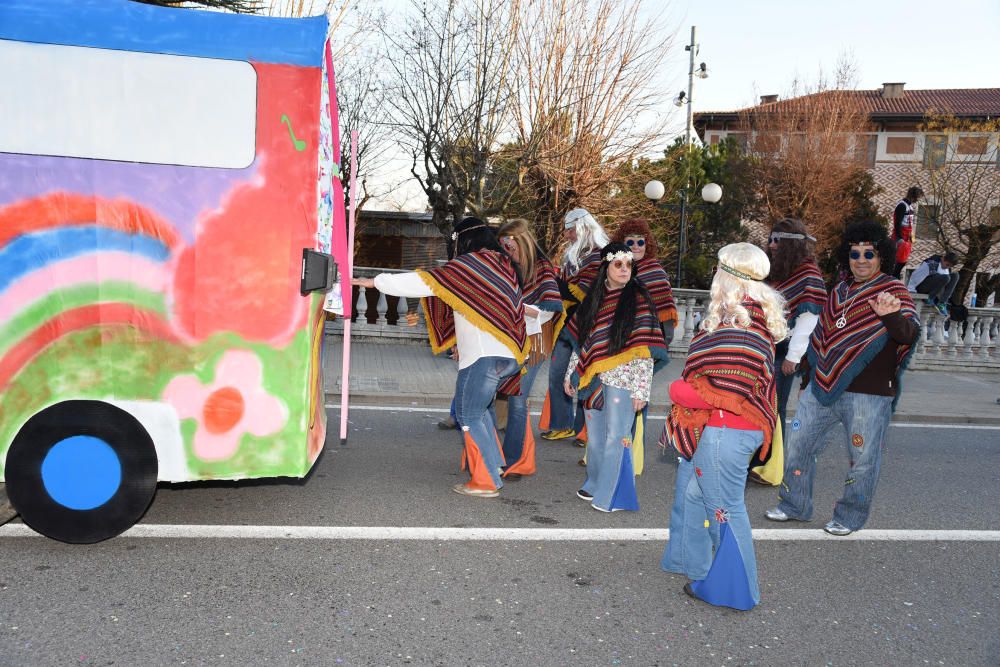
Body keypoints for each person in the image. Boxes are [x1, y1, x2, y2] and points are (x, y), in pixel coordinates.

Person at [352, 216, 527, 498]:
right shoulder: (503, 266)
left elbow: (427, 283)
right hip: (507, 354)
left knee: (468, 414)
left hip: (483, 356)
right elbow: (480, 309)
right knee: (479, 412)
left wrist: (375, 282)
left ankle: (485, 481)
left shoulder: (472, 264)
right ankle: (493, 466)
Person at [766, 221, 920, 535]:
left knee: (861, 459)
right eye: (854, 253)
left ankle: (849, 516)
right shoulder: (839, 290)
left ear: (881, 257)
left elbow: (908, 334)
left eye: (868, 253)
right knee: (799, 445)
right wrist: (809, 378)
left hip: (870, 394)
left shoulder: (893, 290)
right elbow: (821, 338)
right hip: (821, 388)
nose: (860, 260)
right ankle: (794, 504)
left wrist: (890, 315)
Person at [660, 243, 786, 611]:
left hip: (724, 431)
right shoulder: (751, 320)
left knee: (725, 509)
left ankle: (735, 589)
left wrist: (677, 390)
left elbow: (726, 389)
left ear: (727, 277)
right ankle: (702, 567)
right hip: (731, 430)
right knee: (703, 498)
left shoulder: (740, 327)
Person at [563, 242, 668, 512]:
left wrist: (641, 391)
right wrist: (571, 374)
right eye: (618, 264)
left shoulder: (640, 300)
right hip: (592, 377)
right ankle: (595, 482)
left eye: (628, 265)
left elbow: (645, 350)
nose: (624, 269)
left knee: (616, 436)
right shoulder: (593, 300)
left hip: (624, 380)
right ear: (605, 267)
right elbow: (581, 342)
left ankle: (610, 494)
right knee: (596, 438)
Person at [494, 219, 564, 477]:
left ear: (521, 241)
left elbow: (552, 307)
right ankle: (492, 453)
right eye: (503, 246)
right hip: (513, 337)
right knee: (494, 394)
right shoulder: (506, 266)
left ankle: (513, 461)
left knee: (518, 398)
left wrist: (521, 310)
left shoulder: (542, 266)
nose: (506, 251)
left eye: (509, 246)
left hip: (536, 340)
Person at [541, 208, 609, 442]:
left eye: (570, 230)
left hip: (589, 324)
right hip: (565, 322)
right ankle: (562, 424)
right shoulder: (572, 255)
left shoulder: (600, 255)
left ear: (580, 228)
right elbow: (567, 286)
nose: (567, 235)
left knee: (585, 376)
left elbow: (592, 292)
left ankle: (584, 430)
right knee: (557, 373)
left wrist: (564, 287)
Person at [764, 219, 826, 445]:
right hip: (765, 347)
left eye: (777, 240)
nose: (771, 245)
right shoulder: (778, 271)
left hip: (783, 350)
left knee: (774, 405)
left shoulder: (808, 273)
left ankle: (770, 462)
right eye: (770, 239)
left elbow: (808, 319)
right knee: (761, 404)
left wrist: (793, 357)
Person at [907, 251, 959, 316]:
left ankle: (942, 303)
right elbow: (915, 276)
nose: (947, 267)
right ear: (942, 258)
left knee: (955, 275)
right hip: (922, 287)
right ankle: (930, 298)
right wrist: (911, 290)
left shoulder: (947, 269)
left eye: (949, 266)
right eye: (947, 264)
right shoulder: (931, 263)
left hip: (934, 291)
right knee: (946, 277)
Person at [891, 186, 923, 278]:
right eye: (918, 197)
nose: (918, 200)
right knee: (899, 259)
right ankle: (894, 276)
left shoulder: (909, 206)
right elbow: (897, 223)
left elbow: (910, 223)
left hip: (907, 236)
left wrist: (911, 237)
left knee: (904, 259)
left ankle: (896, 275)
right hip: (901, 236)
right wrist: (899, 238)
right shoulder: (902, 205)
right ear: (914, 196)